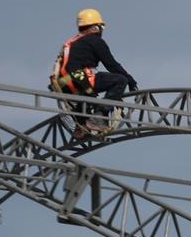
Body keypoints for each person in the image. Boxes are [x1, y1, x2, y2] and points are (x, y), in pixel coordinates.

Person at [49, 8, 139, 140]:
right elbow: (111, 65)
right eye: (101, 27)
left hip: (65, 85)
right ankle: (99, 116)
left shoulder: (71, 43)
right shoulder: (94, 41)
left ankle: (82, 126)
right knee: (120, 80)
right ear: (96, 27)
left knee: (85, 97)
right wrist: (130, 80)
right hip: (79, 79)